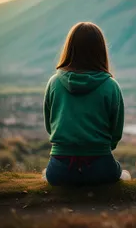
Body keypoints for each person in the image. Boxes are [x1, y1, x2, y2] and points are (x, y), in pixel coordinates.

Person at [43, 22, 131, 186]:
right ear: (100, 50)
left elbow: (50, 126)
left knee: (50, 174)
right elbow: (116, 132)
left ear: (69, 48)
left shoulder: (53, 83)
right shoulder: (111, 85)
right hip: (101, 167)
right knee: (124, 174)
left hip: (59, 170)